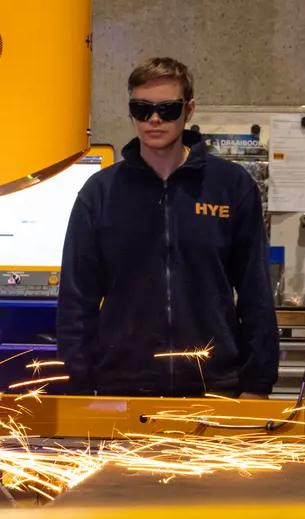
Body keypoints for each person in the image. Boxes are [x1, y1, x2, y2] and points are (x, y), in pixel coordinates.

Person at [56, 57, 279, 399]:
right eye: (142, 109)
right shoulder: (99, 194)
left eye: (167, 109)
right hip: (122, 389)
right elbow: (76, 300)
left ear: (188, 110)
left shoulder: (231, 187)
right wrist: (80, 386)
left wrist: (257, 384)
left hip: (215, 388)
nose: (154, 119)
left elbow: (256, 295)